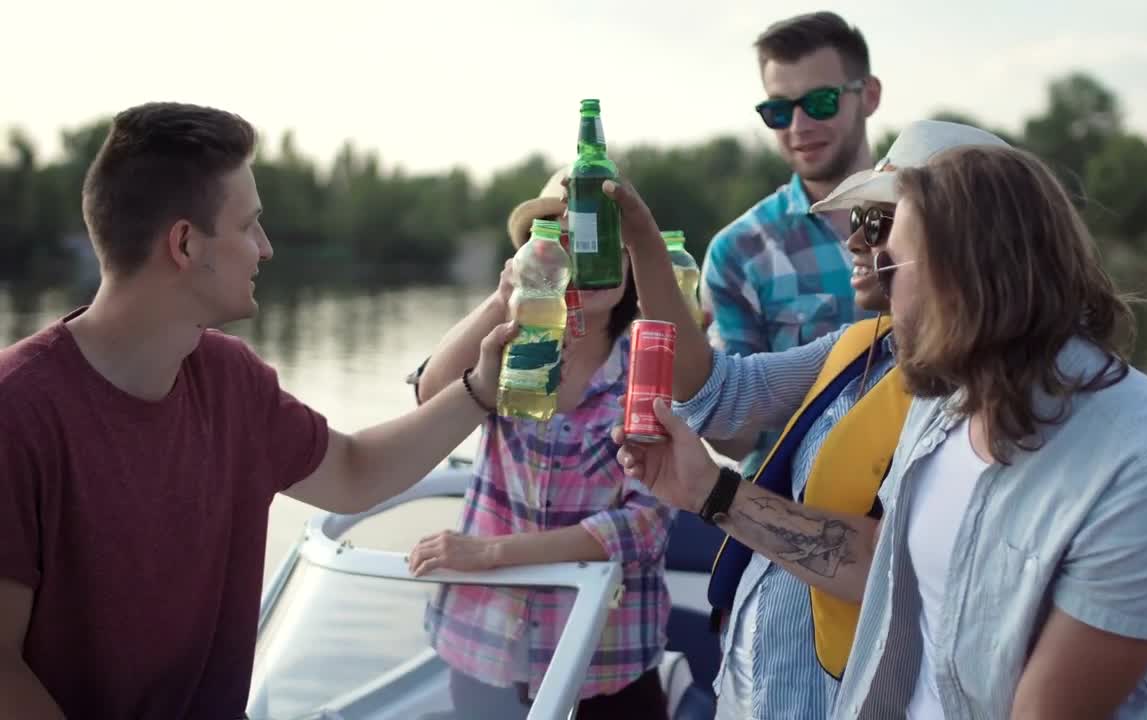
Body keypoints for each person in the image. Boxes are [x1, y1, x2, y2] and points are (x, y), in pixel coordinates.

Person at [616, 139, 1147, 717]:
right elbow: (879, 569)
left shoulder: (1145, 464)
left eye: (889, 249)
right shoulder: (945, 407)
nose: (866, 263)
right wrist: (705, 489)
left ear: (966, 274)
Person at [0, 102, 515, 720]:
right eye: (250, 226)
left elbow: (354, 472)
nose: (266, 249)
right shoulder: (17, 412)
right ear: (186, 244)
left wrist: (481, 389)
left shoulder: (231, 380)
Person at [607, 121, 1005, 719]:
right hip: (763, 688)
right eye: (858, 220)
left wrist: (710, 493)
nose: (854, 240)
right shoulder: (862, 346)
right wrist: (642, 245)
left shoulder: (990, 401)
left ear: (955, 239)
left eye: (878, 222)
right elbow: (720, 392)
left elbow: (890, 567)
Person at [405, 172, 674, 719]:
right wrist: (503, 297)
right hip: (485, 646)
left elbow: (643, 525)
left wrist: (492, 553)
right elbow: (431, 399)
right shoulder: (509, 347)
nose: (591, 259)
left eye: (607, 245)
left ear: (632, 263)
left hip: (609, 658)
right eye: (570, 243)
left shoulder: (652, 365)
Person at [699, 11, 882, 479]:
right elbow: (735, 437)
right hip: (798, 513)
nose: (798, 125)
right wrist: (690, 370)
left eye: (819, 102)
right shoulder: (738, 252)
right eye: (778, 111)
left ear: (870, 96)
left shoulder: (941, 220)